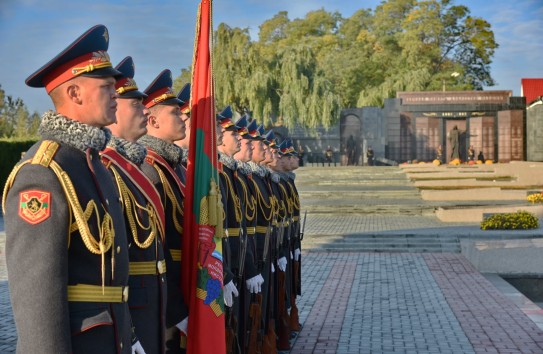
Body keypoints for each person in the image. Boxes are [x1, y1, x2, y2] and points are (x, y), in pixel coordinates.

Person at [2, 25, 137, 353]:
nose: (116, 95)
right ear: (75, 94)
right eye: (107, 87)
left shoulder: (93, 164)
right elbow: (37, 298)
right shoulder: (44, 172)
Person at [101, 56, 166, 354]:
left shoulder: (135, 167)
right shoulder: (107, 168)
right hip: (132, 306)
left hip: (154, 299)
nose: (144, 109)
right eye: (136, 103)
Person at [138, 69, 189, 353]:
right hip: (168, 292)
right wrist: (177, 309)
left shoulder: (171, 166)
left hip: (183, 281)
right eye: (176, 113)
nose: (183, 117)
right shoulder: (150, 167)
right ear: (154, 119)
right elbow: (159, 245)